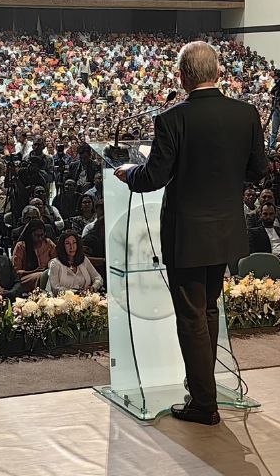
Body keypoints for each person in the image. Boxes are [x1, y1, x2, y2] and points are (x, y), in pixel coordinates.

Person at [114, 40, 267, 426]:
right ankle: (203, 386)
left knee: (192, 315)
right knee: (208, 308)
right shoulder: (246, 114)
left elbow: (153, 177)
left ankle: (203, 402)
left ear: (182, 77)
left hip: (187, 234)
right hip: (226, 230)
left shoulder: (172, 119)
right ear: (218, 73)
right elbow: (258, 171)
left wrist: (127, 173)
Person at [10, 220, 57, 292]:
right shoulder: (21, 246)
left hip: (48, 273)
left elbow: (56, 261)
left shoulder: (48, 243)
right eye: (36, 235)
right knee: (42, 275)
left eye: (42, 235)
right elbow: (16, 272)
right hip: (26, 277)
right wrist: (33, 271)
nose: (40, 238)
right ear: (30, 234)